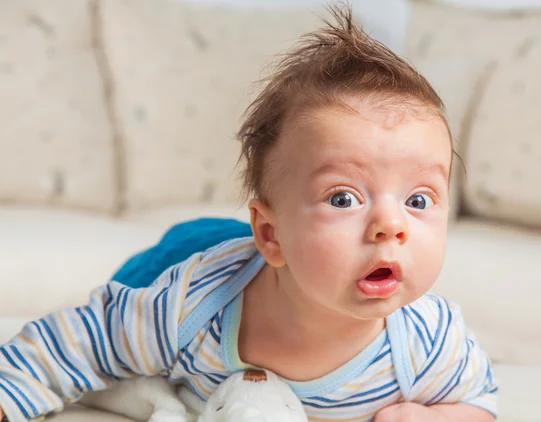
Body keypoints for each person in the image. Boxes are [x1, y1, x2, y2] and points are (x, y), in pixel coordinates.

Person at [0, 6, 497, 422]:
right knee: (134, 322)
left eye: (418, 200)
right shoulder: (188, 308)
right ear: (271, 232)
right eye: (344, 198)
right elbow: (84, 340)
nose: (392, 225)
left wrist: (424, 416)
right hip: (188, 258)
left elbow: (480, 402)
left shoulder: (428, 340)